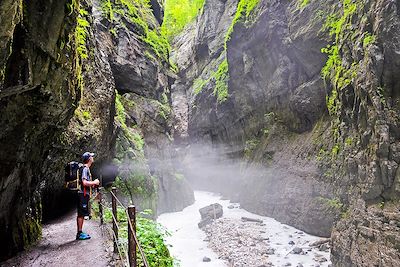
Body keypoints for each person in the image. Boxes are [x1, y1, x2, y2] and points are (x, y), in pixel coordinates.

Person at [76, 152, 100, 240]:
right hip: (83, 194)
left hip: (82, 193)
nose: (93, 158)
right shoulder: (85, 169)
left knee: (81, 213)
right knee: (81, 214)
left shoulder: (84, 168)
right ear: (89, 159)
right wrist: (95, 182)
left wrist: (93, 184)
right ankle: (79, 233)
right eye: (91, 157)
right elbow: (84, 182)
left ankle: (80, 232)